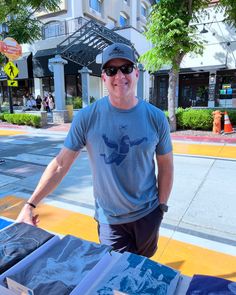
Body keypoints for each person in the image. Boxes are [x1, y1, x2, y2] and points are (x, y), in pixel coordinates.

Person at [16, 43, 173, 258]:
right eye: (111, 70)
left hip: (148, 214)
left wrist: (161, 208)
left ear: (136, 73)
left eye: (126, 68)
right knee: (114, 277)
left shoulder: (156, 118)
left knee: (143, 272)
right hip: (111, 222)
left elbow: (166, 166)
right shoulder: (87, 117)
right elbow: (60, 164)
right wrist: (30, 204)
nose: (119, 76)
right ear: (104, 78)